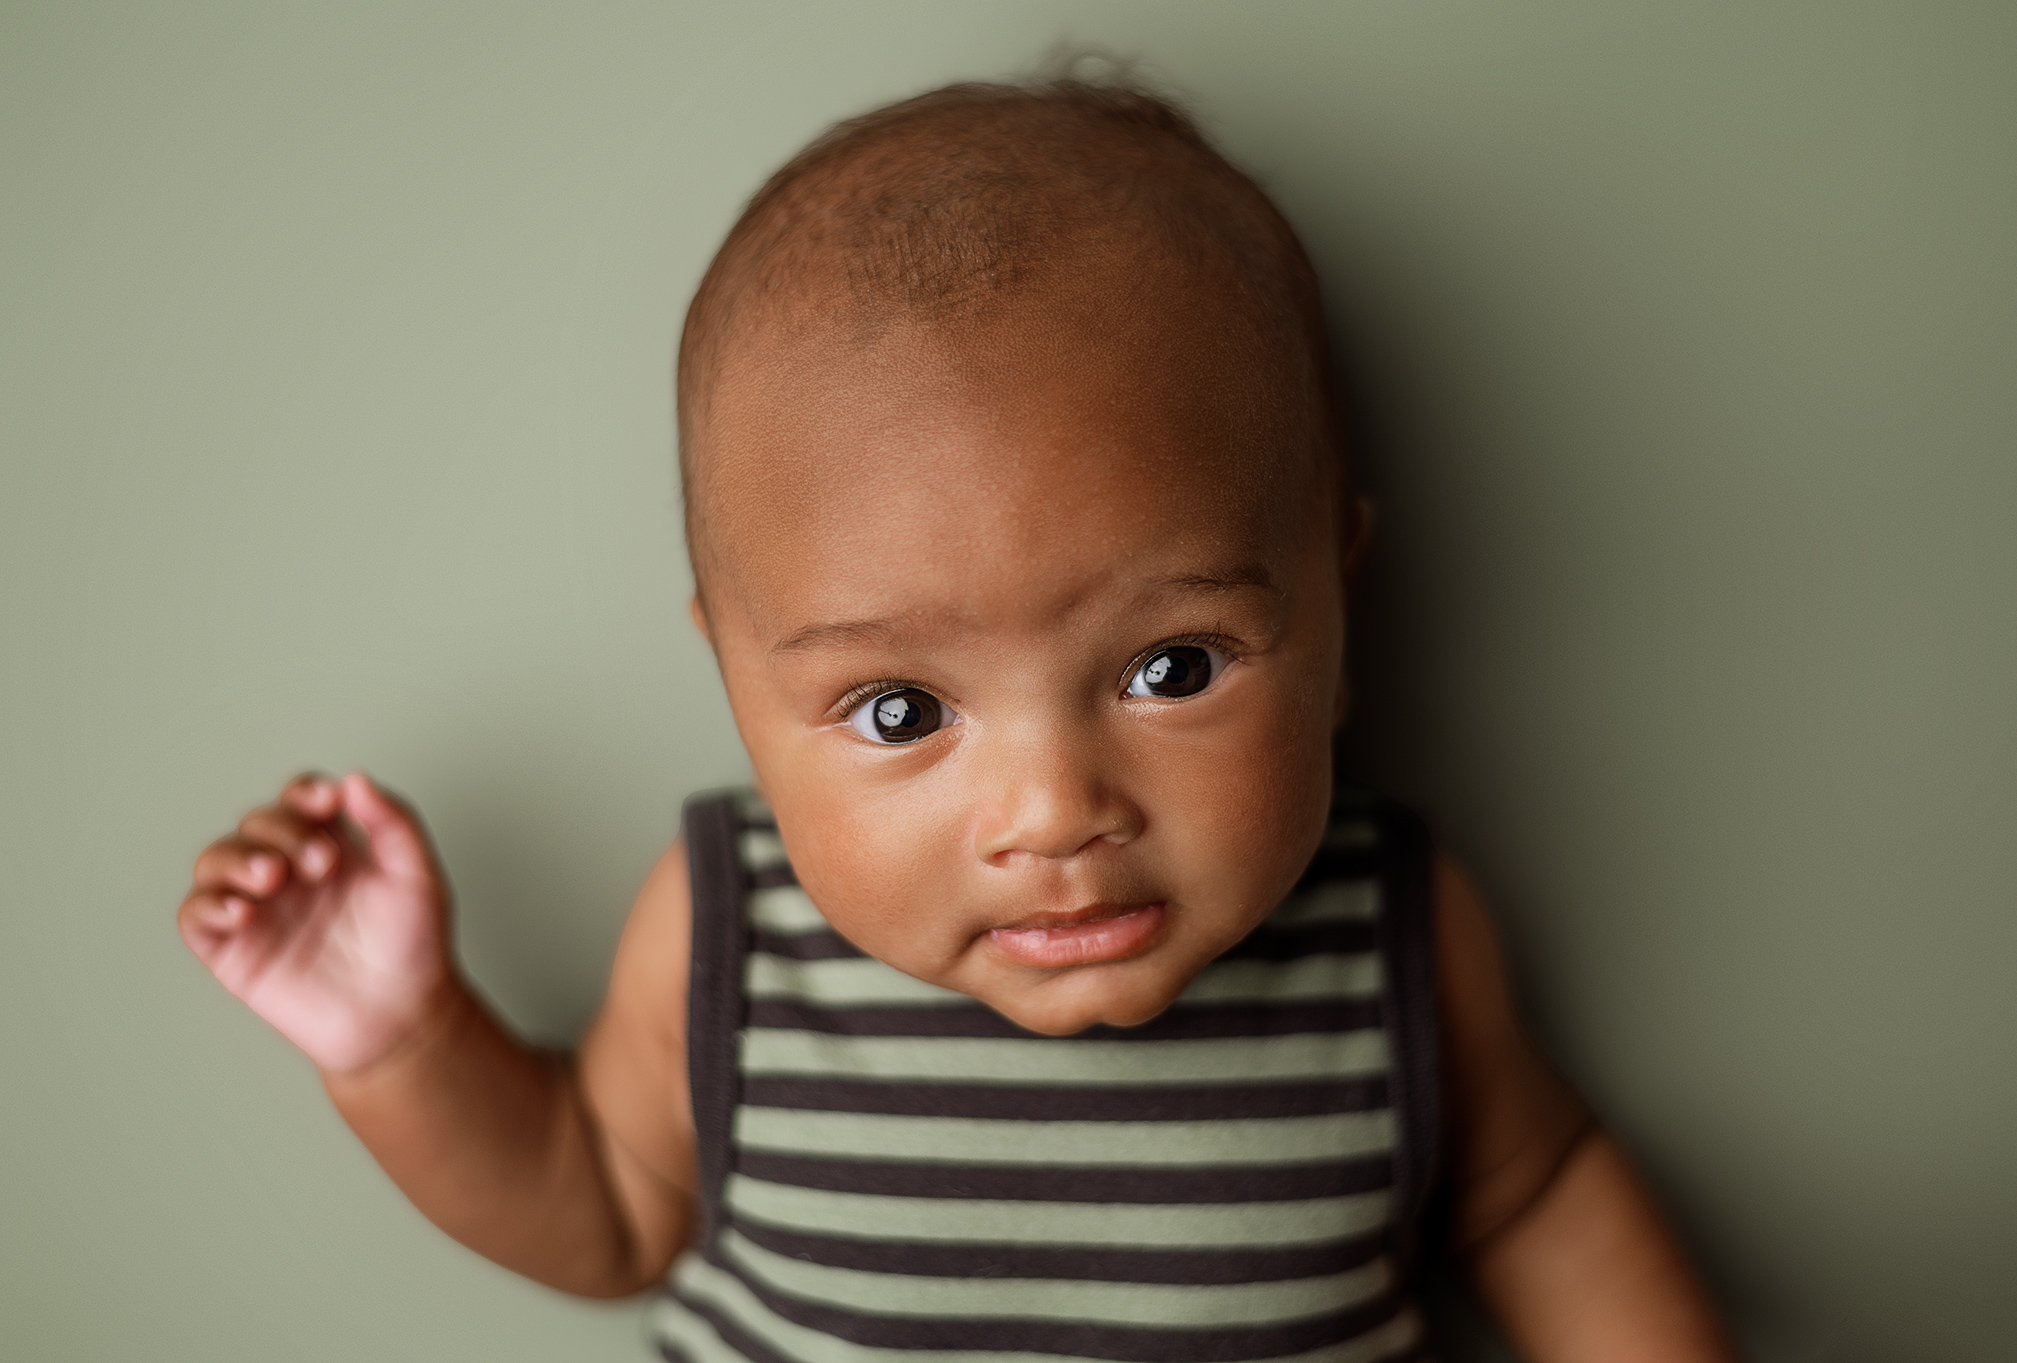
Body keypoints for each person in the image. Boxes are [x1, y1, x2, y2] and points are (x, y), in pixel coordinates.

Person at [176, 76, 1737, 1363]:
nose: (1056, 811)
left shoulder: (1391, 931)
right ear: (732, 675)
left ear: (1335, 596)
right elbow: (597, 1209)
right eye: (903, 708)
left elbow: (1538, 1201)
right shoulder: (740, 937)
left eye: (1172, 670)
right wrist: (401, 1041)